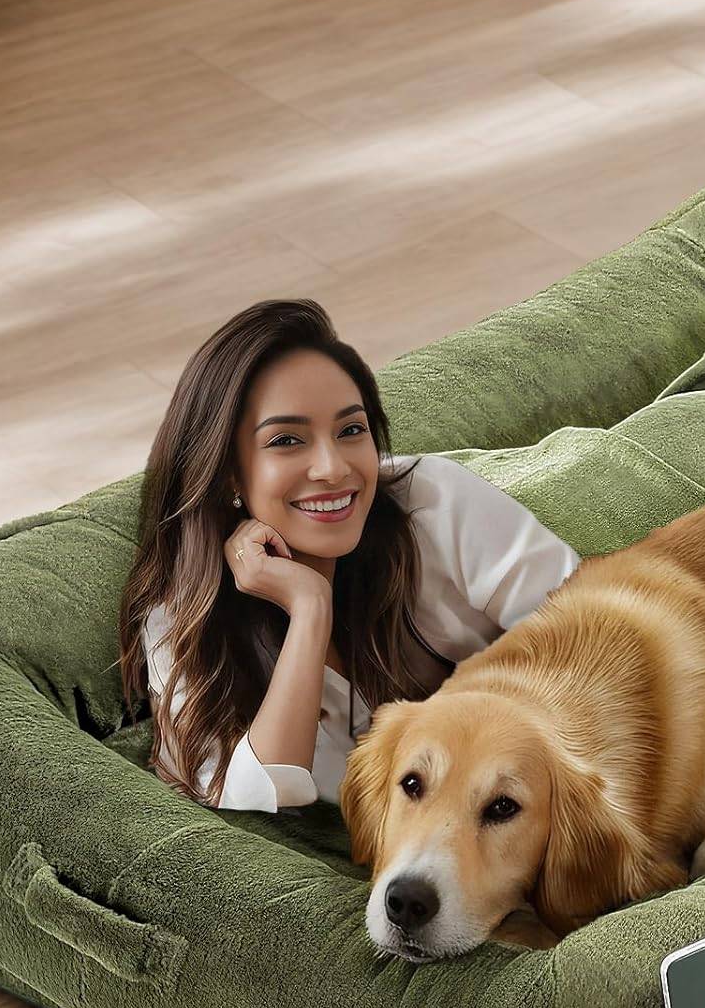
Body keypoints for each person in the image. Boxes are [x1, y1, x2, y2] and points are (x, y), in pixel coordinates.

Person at [117, 298, 581, 812]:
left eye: (351, 430)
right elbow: (256, 806)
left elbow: (591, 629)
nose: (333, 468)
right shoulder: (182, 622)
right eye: (287, 440)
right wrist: (310, 610)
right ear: (227, 471)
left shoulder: (430, 502)